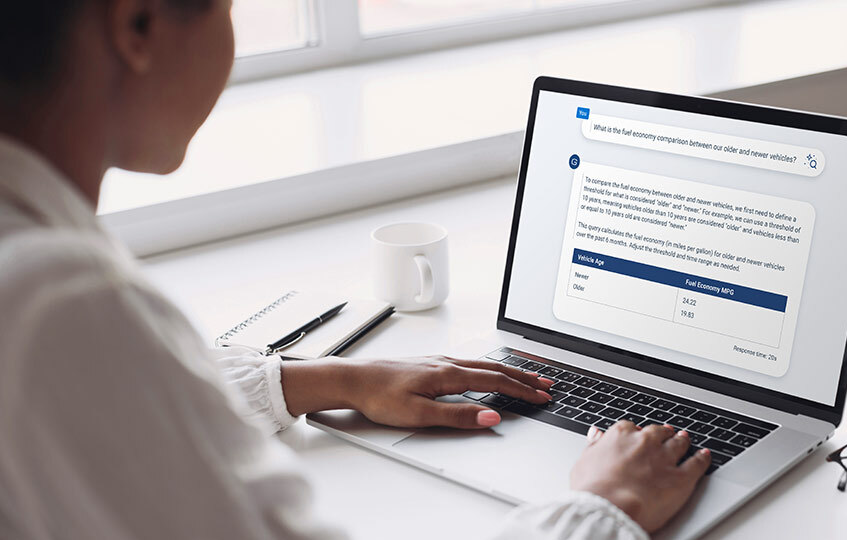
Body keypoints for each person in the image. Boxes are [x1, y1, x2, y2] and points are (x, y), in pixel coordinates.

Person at [0, 1, 710, 539]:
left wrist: (328, 379)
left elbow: (117, 403)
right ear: (139, 27)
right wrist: (601, 507)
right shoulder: (60, 302)